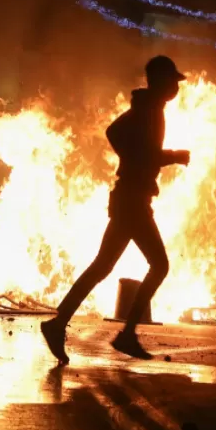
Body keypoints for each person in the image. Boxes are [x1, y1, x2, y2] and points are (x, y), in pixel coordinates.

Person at [41, 56, 191, 363]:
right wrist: (171, 156)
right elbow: (133, 144)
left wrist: (137, 161)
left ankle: (58, 324)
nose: (176, 87)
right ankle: (126, 335)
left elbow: (121, 137)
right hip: (132, 201)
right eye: (173, 81)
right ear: (162, 82)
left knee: (102, 266)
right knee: (158, 265)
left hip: (130, 198)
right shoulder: (148, 110)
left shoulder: (149, 108)